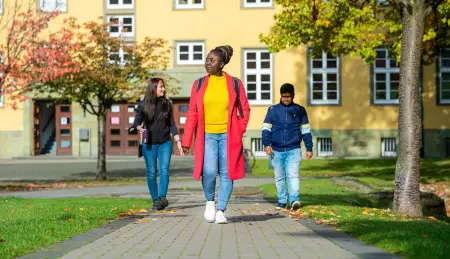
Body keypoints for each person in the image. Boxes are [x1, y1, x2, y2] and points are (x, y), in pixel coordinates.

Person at [181, 45, 250, 224]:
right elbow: (192, 112)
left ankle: (221, 210)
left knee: (227, 173)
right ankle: (210, 201)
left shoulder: (235, 83)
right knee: (209, 171)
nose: (207, 63)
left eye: (212, 60)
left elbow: (244, 110)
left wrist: (238, 130)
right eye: (207, 59)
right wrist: (186, 139)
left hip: (228, 136)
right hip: (207, 135)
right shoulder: (199, 84)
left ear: (222, 64)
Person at [131, 78, 183, 210]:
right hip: (149, 144)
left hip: (165, 143)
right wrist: (138, 128)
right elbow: (136, 122)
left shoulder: (167, 104)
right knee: (151, 172)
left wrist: (178, 142)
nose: (163, 89)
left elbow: (172, 124)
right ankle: (155, 200)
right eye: (161, 87)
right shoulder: (143, 105)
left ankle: (162, 197)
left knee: (164, 170)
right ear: (153, 88)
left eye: (163, 87)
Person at [262, 83, 313, 211]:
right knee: (279, 176)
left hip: (294, 149)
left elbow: (306, 130)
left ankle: (294, 200)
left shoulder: (299, 110)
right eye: (284, 96)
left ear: (293, 96)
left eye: (288, 96)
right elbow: (266, 129)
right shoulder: (273, 110)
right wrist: (266, 144)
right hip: (276, 150)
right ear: (280, 96)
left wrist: (309, 148)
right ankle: (282, 201)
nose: (286, 99)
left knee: (293, 175)